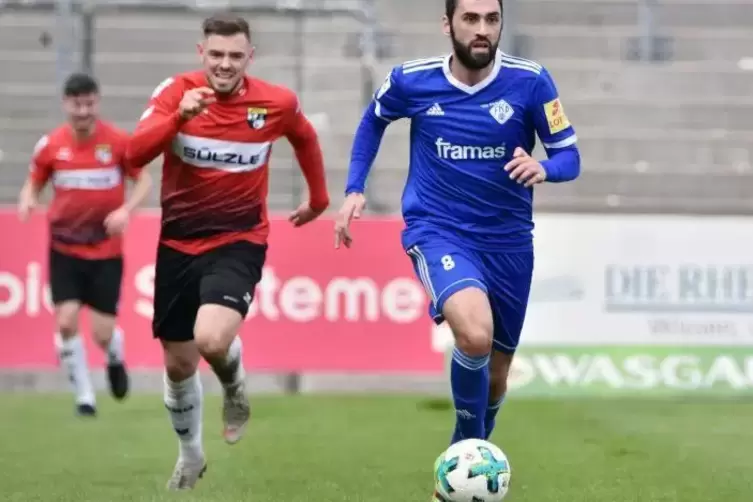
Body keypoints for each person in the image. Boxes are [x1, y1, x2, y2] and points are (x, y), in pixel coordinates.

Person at [335, 0, 579, 484]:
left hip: (509, 242)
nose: (482, 29)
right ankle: (462, 458)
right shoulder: (413, 80)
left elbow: (569, 156)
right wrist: (355, 188)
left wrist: (544, 168)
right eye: (471, 19)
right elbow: (373, 120)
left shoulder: (532, 82)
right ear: (448, 24)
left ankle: (467, 460)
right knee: (473, 334)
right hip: (438, 228)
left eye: (491, 19)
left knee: (496, 375)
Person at [124, 13, 329, 490]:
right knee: (178, 364)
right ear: (202, 53)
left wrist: (319, 198)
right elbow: (133, 155)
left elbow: (305, 137)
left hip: (239, 239)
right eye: (216, 54)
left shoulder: (274, 102)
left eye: (235, 56)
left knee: (211, 339)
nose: (225, 64)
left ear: (249, 58)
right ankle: (191, 456)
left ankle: (234, 387)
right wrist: (180, 119)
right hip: (177, 243)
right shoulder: (176, 92)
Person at [17, 72, 153, 417]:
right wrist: (28, 199)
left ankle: (114, 355)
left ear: (97, 102)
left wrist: (126, 209)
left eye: (89, 103)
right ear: (66, 104)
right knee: (65, 321)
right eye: (76, 104)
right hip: (64, 249)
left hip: (106, 251)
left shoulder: (119, 143)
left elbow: (144, 180)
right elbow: (33, 182)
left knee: (103, 333)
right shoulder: (51, 146)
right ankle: (84, 396)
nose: (82, 111)